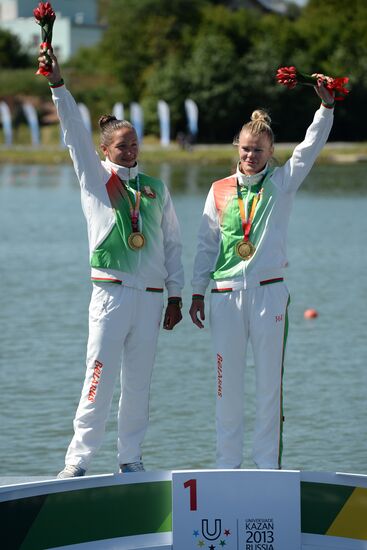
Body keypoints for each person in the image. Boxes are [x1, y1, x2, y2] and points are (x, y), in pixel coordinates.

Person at [37, 49, 184, 477]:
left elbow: (173, 246)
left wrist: (176, 297)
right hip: (110, 295)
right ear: (105, 149)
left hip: (152, 299)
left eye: (135, 143)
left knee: (137, 387)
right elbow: (72, 134)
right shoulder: (96, 179)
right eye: (122, 145)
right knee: (98, 378)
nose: (131, 150)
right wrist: (57, 85)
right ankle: (77, 462)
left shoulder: (155, 189)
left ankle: (130, 460)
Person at [189, 82, 335, 470]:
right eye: (246, 148)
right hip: (224, 295)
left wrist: (326, 108)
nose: (251, 155)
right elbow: (206, 245)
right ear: (237, 147)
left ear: (271, 152)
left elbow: (310, 148)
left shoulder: (283, 182)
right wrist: (196, 293)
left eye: (259, 150)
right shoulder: (219, 190)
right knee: (227, 388)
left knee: (270, 387)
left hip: (269, 294)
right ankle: (227, 465)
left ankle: (268, 467)